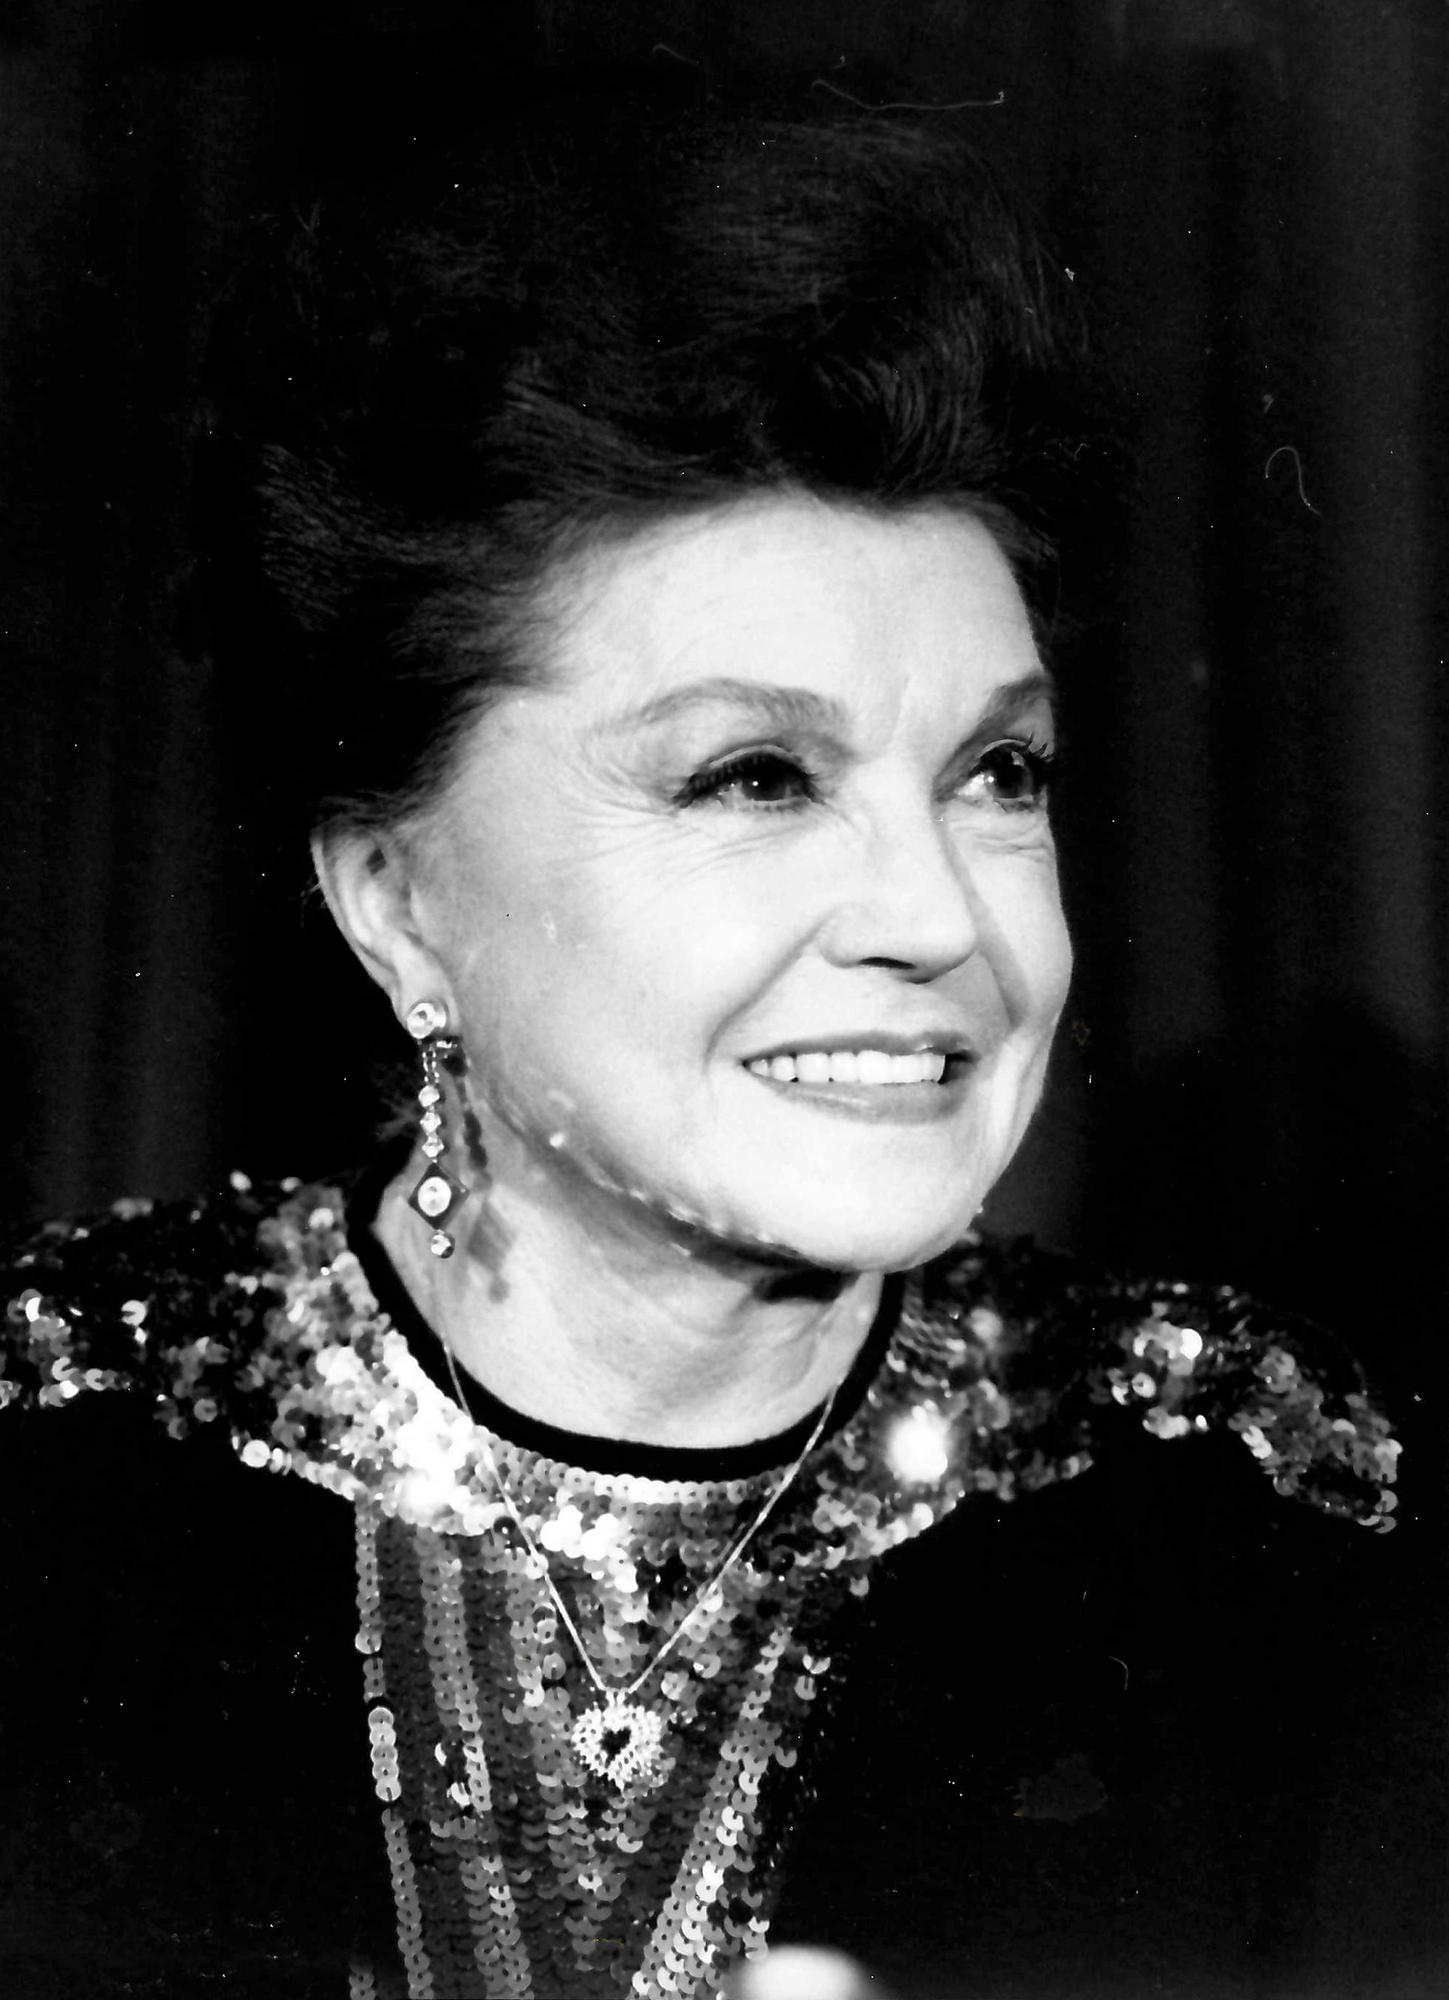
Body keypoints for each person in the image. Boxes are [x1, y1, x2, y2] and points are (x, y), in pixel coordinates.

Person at [1, 99, 1401, 2000]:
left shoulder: (1259, 1521)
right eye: (754, 776)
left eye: (997, 772)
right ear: (395, 900)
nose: (932, 913)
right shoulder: (58, 1473)